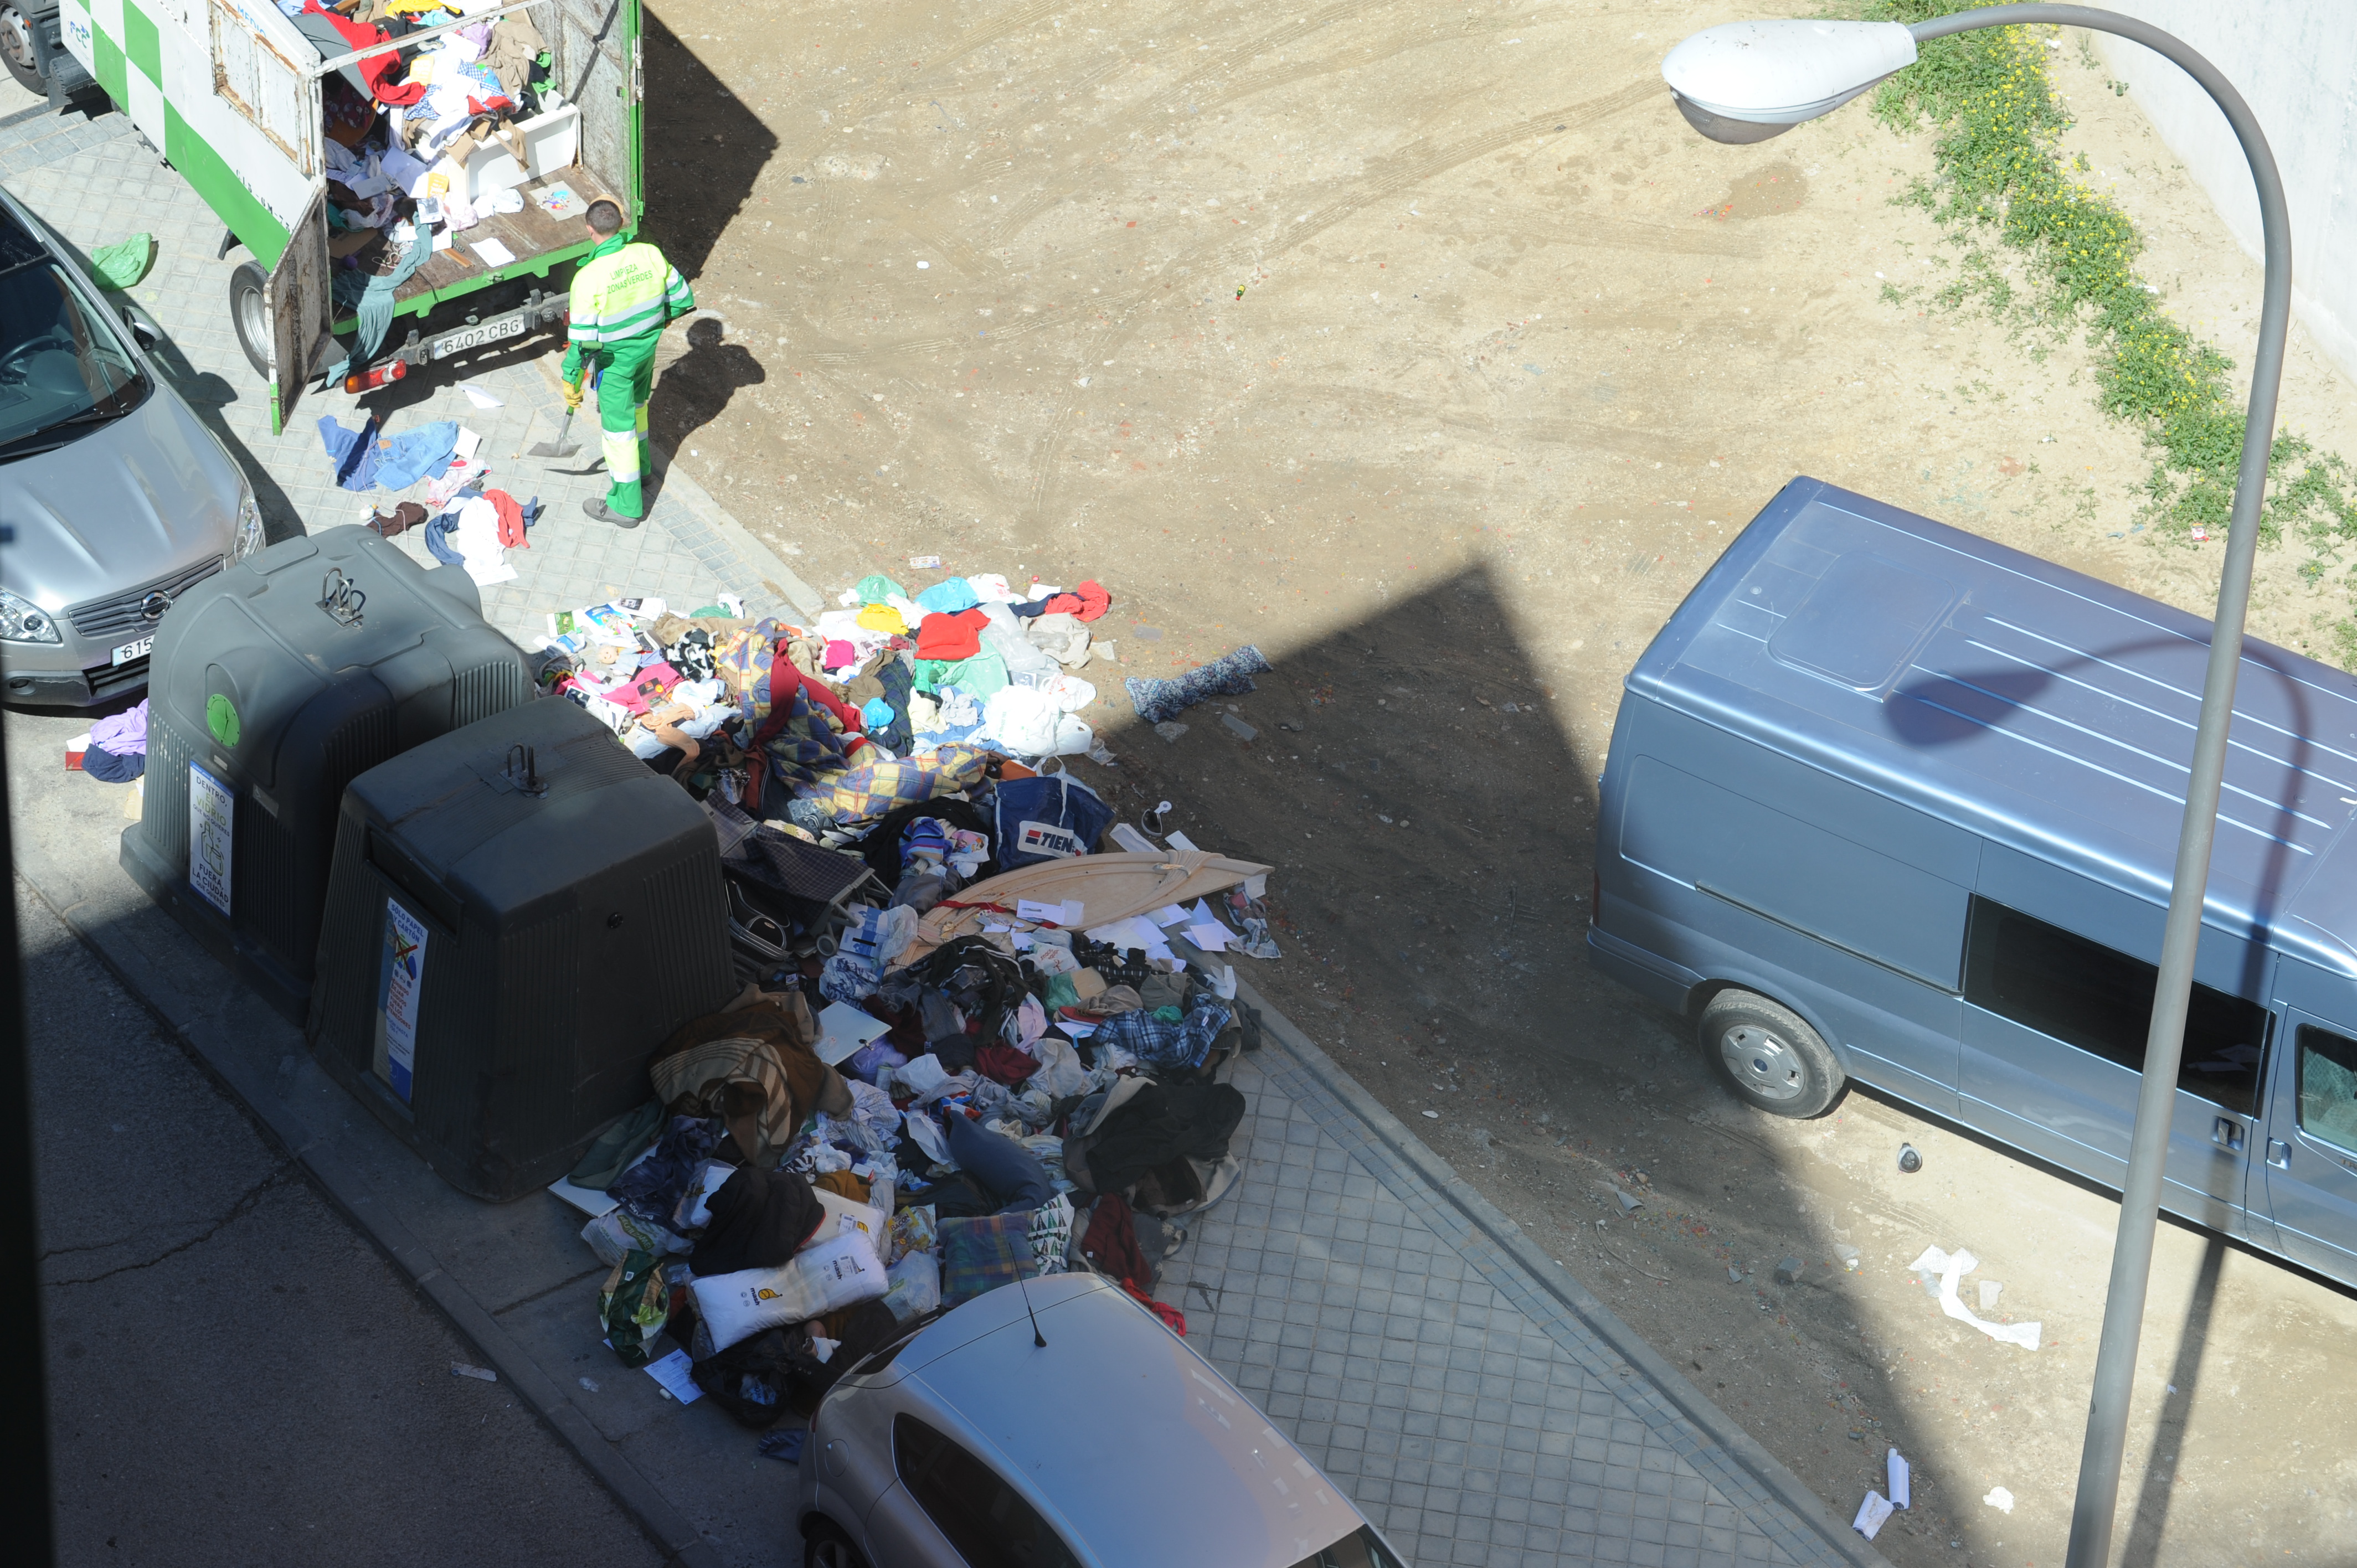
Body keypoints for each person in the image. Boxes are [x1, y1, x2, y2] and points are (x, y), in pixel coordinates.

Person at [559, 197, 695, 527]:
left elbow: (582, 343)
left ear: (590, 229)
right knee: (639, 411)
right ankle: (644, 471)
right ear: (621, 224)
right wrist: (653, 328)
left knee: (618, 435)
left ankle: (627, 506)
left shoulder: (588, 278)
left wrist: (570, 378)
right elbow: (682, 299)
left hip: (614, 364)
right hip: (645, 355)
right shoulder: (649, 254)